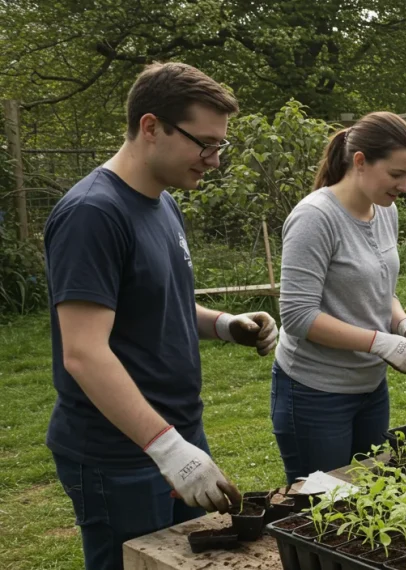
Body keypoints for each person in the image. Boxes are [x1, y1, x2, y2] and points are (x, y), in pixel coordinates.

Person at [43, 62, 278, 570]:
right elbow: (84, 352)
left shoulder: (162, 202)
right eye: (205, 144)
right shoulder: (92, 214)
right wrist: (168, 450)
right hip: (120, 452)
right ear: (152, 128)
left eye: (220, 146)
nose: (214, 160)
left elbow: (156, 300)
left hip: (174, 432)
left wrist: (222, 324)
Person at [272, 112, 406, 484]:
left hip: (369, 387)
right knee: (320, 505)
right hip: (315, 393)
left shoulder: (385, 211)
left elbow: (379, 287)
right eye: (396, 174)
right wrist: (381, 342)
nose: (405, 186)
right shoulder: (315, 218)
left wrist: (404, 325)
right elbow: (298, 316)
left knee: (371, 493)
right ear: (360, 161)